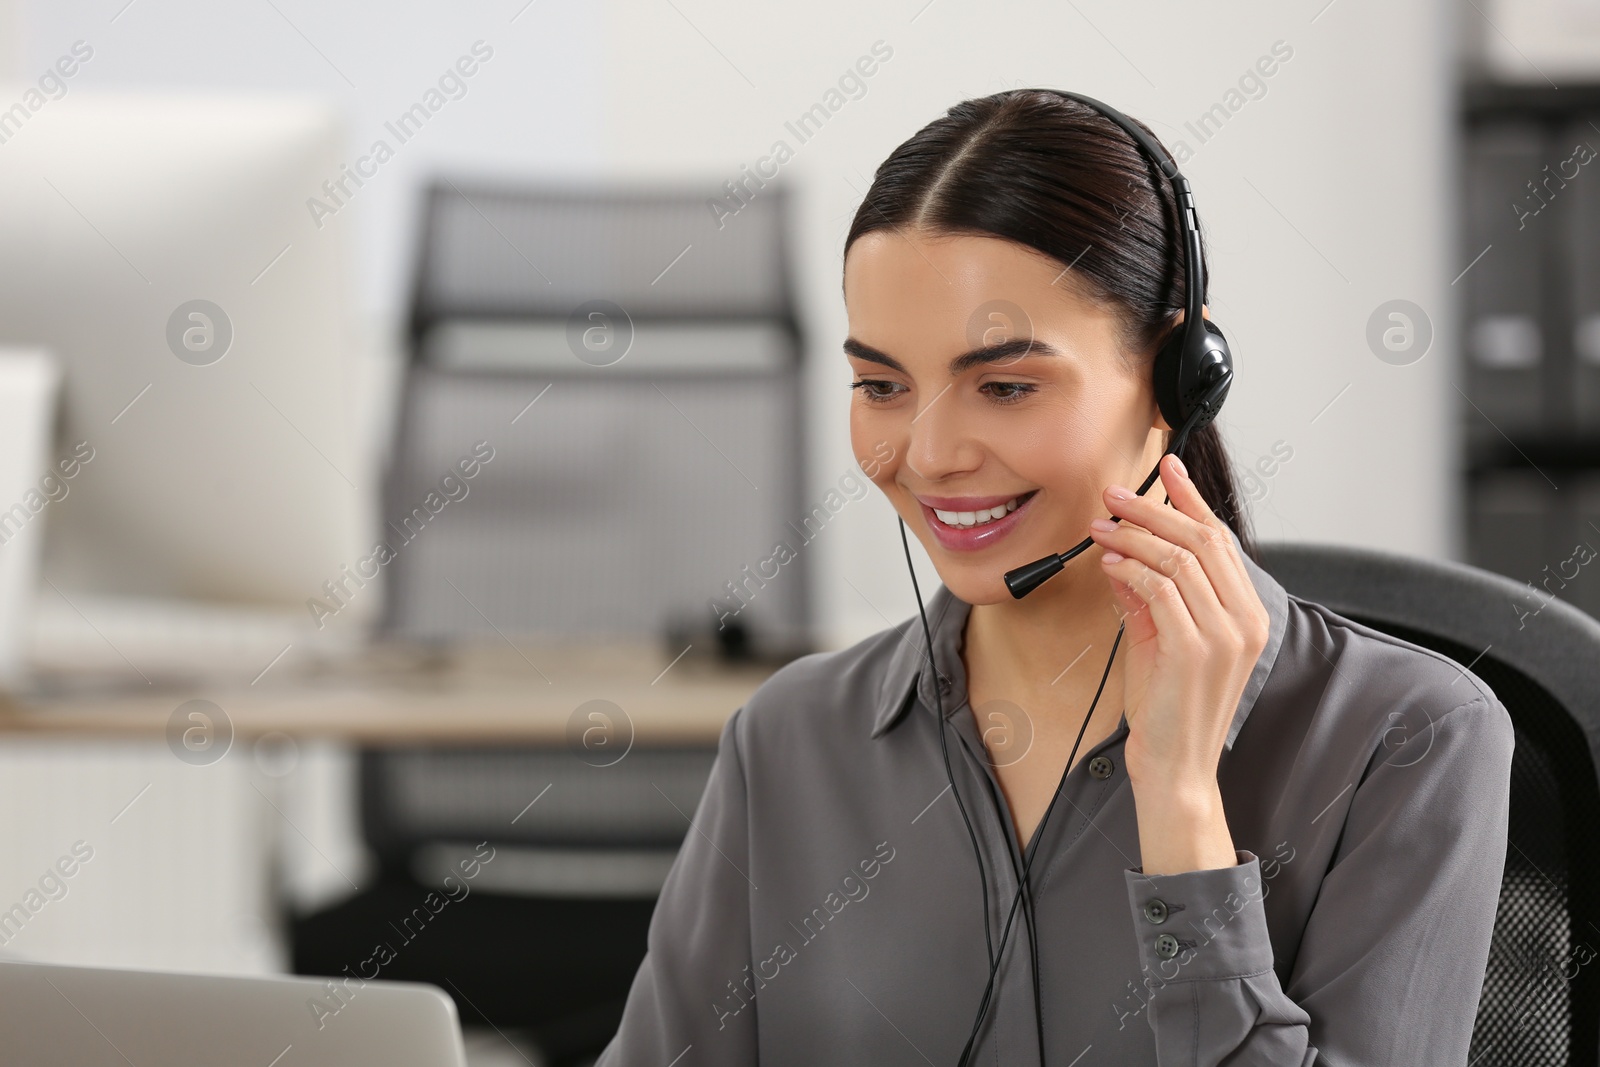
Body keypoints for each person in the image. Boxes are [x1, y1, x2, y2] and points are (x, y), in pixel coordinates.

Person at [595, 89, 1514, 1066]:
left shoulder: (1407, 742)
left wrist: (1181, 810)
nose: (932, 452)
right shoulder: (788, 743)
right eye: (881, 386)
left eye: (1004, 386)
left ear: (1177, 380)